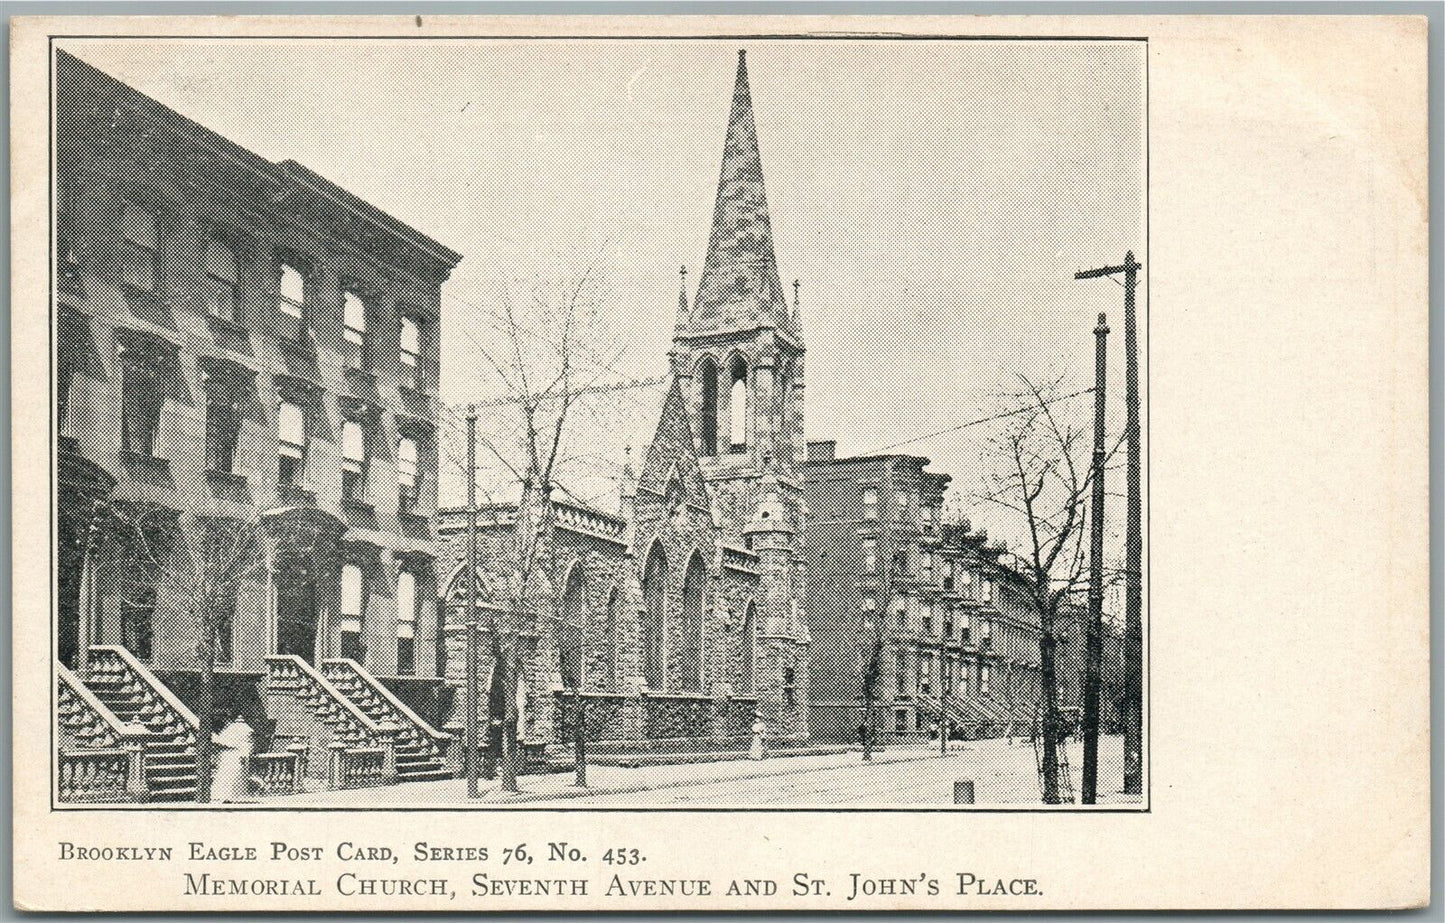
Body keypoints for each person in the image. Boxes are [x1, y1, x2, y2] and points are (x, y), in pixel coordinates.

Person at [211, 713, 254, 803]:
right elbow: (248, 745)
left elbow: (222, 741)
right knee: (231, 777)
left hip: (230, 755)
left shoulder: (231, 729)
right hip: (234, 755)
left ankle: (226, 797)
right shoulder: (246, 729)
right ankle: (229, 797)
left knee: (229, 777)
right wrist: (245, 755)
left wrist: (213, 737)